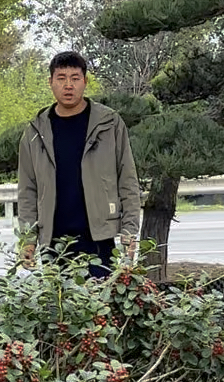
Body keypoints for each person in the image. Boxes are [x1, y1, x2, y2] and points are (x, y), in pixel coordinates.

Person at [17, 51, 141, 277]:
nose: (68, 85)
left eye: (75, 78)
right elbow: (27, 190)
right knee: (59, 309)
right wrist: (28, 239)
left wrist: (130, 232)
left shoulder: (109, 123)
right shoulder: (35, 131)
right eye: (61, 78)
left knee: (102, 308)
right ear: (50, 82)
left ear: (85, 81)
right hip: (53, 241)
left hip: (99, 238)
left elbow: (128, 180)